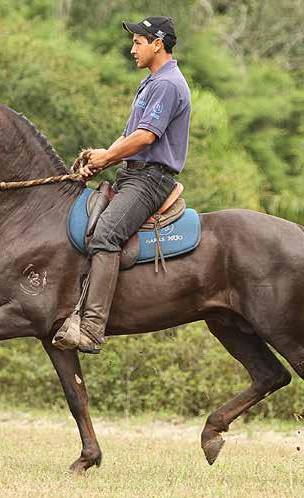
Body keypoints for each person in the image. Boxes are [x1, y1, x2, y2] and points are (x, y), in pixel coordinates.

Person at [74, 16, 191, 354]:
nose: (132, 49)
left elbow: (145, 136)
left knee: (107, 233)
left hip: (150, 179)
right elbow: (128, 136)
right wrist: (102, 159)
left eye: (138, 42)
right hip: (133, 173)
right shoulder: (152, 82)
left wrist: (105, 158)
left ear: (158, 43)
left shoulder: (167, 84)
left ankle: (93, 328)